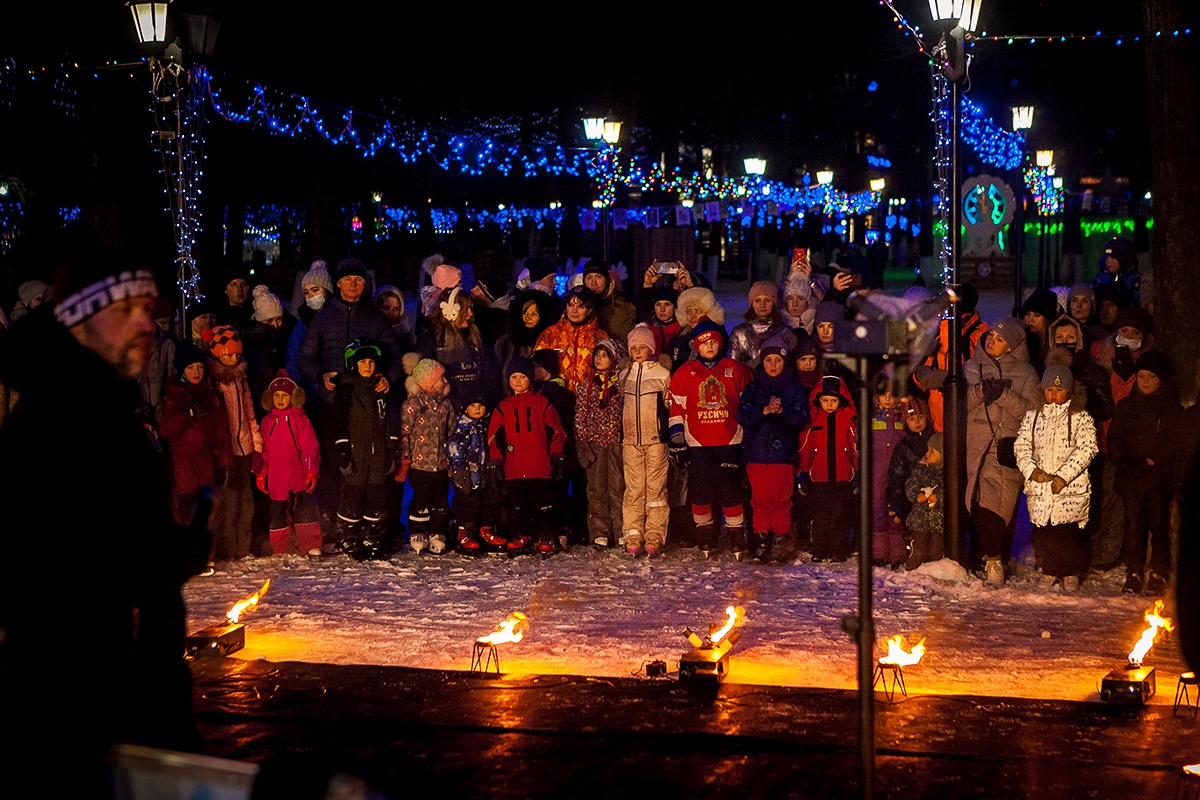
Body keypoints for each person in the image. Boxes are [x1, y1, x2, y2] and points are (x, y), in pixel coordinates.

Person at [0, 244, 209, 791]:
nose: (146, 321)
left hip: (118, 694)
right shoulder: (56, 423)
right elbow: (46, 569)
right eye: (123, 310)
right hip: (75, 707)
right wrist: (159, 562)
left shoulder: (104, 409)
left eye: (147, 306)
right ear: (76, 322)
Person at [297, 256, 401, 551]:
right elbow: (305, 358)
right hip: (334, 403)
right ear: (338, 284)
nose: (353, 286)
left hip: (368, 405)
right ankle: (337, 524)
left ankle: (375, 527)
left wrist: (388, 379)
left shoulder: (375, 317)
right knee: (335, 466)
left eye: (359, 280)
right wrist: (321, 375)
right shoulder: (324, 318)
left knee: (372, 467)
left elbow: (393, 356)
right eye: (348, 280)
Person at [964, 319, 1040, 587]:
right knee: (979, 503)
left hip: (1006, 448)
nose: (991, 340)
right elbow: (958, 405)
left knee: (1000, 507)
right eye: (991, 335)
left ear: (1012, 347)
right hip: (975, 446)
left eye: (999, 338)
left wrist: (1003, 395)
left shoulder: (1026, 373)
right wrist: (979, 392)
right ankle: (986, 558)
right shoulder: (971, 368)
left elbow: (1033, 413)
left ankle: (996, 559)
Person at [668, 317, 754, 558]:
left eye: (714, 342)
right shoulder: (685, 372)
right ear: (696, 345)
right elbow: (677, 408)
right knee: (700, 491)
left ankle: (737, 535)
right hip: (698, 442)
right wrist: (677, 438)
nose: (709, 347)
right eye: (704, 343)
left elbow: (749, 402)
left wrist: (749, 433)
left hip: (729, 440)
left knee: (730, 490)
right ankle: (705, 534)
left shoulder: (735, 369)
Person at [1014, 365, 1099, 593]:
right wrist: (1033, 471)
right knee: (1047, 533)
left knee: (1069, 533)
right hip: (1042, 488)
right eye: (1049, 389)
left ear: (1069, 392)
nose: (1053, 395)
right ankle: (1051, 569)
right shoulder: (1033, 417)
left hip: (1070, 489)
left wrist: (1064, 476)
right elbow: (1022, 446)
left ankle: (1071, 571)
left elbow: (1087, 448)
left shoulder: (1079, 417)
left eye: (1059, 390)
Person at [1107, 350, 1183, 596]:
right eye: (1141, 376)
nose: (1146, 381)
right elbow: (1115, 439)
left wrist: (1153, 461)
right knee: (1133, 528)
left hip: (1158, 480)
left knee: (1159, 528)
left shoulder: (1171, 409)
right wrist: (1125, 463)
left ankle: (1159, 572)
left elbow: (1173, 443)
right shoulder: (1126, 406)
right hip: (1132, 478)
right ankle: (1134, 571)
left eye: (1151, 376)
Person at [736, 335, 809, 564]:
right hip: (757, 455)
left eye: (778, 361)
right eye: (769, 361)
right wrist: (764, 412)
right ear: (763, 362)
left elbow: (801, 418)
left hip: (782, 454)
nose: (773, 365)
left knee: (780, 499)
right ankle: (761, 541)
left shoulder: (793, 388)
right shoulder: (754, 388)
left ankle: (780, 538)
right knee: (760, 500)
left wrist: (783, 412)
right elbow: (743, 415)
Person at [486, 356, 568, 555]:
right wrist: (496, 460)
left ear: (530, 379)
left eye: (522, 377)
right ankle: (524, 534)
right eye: (513, 377)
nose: (518, 381)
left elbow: (556, 431)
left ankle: (545, 535)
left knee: (543, 504)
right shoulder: (503, 407)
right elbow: (494, 437)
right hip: (514, 466)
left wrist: (557, 455)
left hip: (539, 465)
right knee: (519, 504)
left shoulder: (542, 403)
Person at [332, 337, 399, 560]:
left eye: (371, 362)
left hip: (377, 453)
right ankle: (349, 535)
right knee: (353, 493)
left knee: (376, 495)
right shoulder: (346, 391)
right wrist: (342, 451)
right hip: (356, 453)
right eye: (362, 363)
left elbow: (389, 419)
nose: (368, 366)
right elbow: (339, 422)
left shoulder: (381, 389)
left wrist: (391, 449)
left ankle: (372, 535)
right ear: (353, 365)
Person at [204, 324, 264, 562]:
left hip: (244, 448)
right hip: (226, 451)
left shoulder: (241, 379)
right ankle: (226, 549)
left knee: (245, 500)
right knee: (228, 502)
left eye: (236, 353)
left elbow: (249, 415)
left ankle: (243, 547)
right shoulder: (215, 382)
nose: (233, 357)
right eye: (228, 353)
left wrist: (256, 446)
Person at [160, 342, 232, 539]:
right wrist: (188, 413)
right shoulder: (175, 397)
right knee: (186, 505)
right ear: (182, 370)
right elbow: (166, 430)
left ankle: (204, 553)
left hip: (206, 459)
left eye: (199, 366)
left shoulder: (209, 395)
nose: (196, 371)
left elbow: (221, 430)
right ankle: (187, 550)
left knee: (206, 505)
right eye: (190, 367)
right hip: (184, 460)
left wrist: (225, 460)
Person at [256, 369, 323, 558]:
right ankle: (280, 547)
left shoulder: (300, 420)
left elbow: (310, 447)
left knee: (305, 508)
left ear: (292, 397)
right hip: (277, 475)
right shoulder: (267, 421)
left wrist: (310, 471)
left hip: (297, 472)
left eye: (284, 395)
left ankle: (310, 544)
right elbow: (265, 451)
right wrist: (262, 473)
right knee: (277, 512)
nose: (279, 399)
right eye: (276, 395)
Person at [619, 323, 673, 556]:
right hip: (631, 440)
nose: (638, 351)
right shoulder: (624, 374)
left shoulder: (662, 374)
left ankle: (654, 533)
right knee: (633, 489)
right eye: (634, 347)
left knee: (656, 489)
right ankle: (632, 532)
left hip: (655, 440)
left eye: (643, 347)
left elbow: (671, 404)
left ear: (651, 348)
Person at [797, 374, 859, 563]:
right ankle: (820, 549)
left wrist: (858, 471)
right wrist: (802, 472)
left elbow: (856, 447)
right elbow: (804, 449)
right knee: (820, 515)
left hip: (843, 477)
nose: (830, 404)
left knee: (840, 516)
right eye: (825, 400)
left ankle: (839, 549)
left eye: (833, 400)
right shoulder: (813, 420)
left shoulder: (848, 419)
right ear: (819, 400)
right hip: (819, 477)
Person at [396, 355, 455, 555]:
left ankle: (438, 532)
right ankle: (418, 531)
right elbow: (404, 433)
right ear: (428, 382)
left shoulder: (446, 405)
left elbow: (452, 432)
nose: (445, 382)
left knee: (440, 500)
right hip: (419, 465)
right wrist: (405, 459)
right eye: (441, 379)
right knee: (421, 499)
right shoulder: (412, 405)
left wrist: (452, 460)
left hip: (440, 464)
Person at [418, 286, 504, 414]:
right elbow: (426, 381)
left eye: (471, 308)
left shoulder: (477, 339)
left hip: (476, 411)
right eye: (465, 309)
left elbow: (491, 376)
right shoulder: (430, 341)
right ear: (451, 311)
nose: (470, 313)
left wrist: (482, 402)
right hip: (444, 413)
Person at [575, 338, 626, 550]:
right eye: (597, 355)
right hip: (595, 443)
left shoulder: (621, 383)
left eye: (605, 355)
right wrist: (583, 442)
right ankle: (600, 532)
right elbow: (580, 415)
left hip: (616, 443)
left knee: (618, 487)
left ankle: (622, 530)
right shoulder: (586, 385)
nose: (599, 359)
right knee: (596, 489)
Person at [448, 393, 507, 553]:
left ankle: (485, 530)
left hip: (484, 474)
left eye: (480, 406)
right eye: (473, 406)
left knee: (488, 501)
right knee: (468, 503)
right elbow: (454, 447)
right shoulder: (462, 427)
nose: (477, 409)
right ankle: (464, 533)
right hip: (467, 473)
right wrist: (459, 469)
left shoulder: (487, 425)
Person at [887, 397, 935, 568]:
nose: (917, 422)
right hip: (912, 497)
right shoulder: (904, 444)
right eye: (912, 419)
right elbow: (896, 473)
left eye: (920, 417)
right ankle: (914, 558)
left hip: (934, 495)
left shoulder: (935, 439)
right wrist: (896, 498)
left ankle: (934, 560)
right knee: (915, 531)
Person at [534, 285, 609, 394]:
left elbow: (607, 371)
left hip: (588, 399)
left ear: (589, 309)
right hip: (556, 397)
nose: (574, 310)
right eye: (571, 305)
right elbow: (537, 368)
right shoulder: (550, 334)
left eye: (581, 306)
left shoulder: (601, 337)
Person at [869, 388, 909, 568]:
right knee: (878, 512)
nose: (887, 398)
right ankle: (878, 552)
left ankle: (897, 553)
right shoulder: (872, 417)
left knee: (895, 512)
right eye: (883, 394)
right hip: (876, 472)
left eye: (891, 395)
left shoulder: (902, 418)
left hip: (897, 474)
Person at [493, 287, 561, 382]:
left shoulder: (551, 342)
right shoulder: (506, 342)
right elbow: (496, 375)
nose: (528, 317)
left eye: (533, 314)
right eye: (525, 313)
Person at [728, 280, 799, 368]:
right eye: (757, 300)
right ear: (751, 303)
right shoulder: (739, 333)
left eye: (767, 300)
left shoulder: (785, 332)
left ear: (774, 303)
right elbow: (732, 366)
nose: (762, 305)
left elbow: (790, 365)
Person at [904, 431, 945, 571]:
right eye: (928, 450)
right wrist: (917, 495)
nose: (927, 454)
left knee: (936, 550)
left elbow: (952, 491)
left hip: (939, 522)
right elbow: (911, 484)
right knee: (918, 549)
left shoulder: (946, 472)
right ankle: (913, 570)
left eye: (932, 451)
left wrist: (938, 496)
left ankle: (934, 572)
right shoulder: (921, 469)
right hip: (920, 521)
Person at [666, 286, 725, 374]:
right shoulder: (678, 340)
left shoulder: (719, 338)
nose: (692, 316)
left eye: (697, 311)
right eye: (688, 311)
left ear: (709, 312)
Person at [582, 259, 636, 343]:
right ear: (584, 282)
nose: (593, 282)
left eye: (598, 277)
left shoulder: (622, 308)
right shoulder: (577, 306)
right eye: (589, 278)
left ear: (606, 280)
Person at [1090, 235, 1140, 302]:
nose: (1109, 261)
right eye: (1107, 258)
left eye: (1113, 258)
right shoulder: (1100, 279)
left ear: (1124, 259)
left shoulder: (1134, 280)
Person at [1021, 287, 1059, 376]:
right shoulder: (1021, 340)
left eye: (1037, 315)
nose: (1030, 320)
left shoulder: (1056, 343)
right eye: (1027, 314)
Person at [212, 264, 255, 336]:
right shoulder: (219, 320)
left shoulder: (258, 314)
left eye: (243, 284)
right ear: (226, 290)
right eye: (233, 285)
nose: (239, 289)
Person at [374, 283, 416, 356]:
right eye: (386, 308)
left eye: (395, 309)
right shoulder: (370, 330)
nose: (391, 313)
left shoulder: (406, 335)